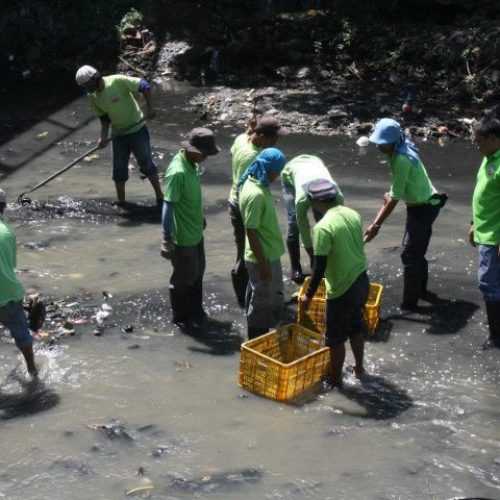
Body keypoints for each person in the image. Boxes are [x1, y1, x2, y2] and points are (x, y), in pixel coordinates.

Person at [364, 118, 447, 310]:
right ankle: (422, 292)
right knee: (416, 251)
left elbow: (395, 198)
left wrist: (376, 225)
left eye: (382, 144)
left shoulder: (401, 158)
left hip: (424, 207)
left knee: (410, 256)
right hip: (423, 202)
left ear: (393, 142)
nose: (378, 147)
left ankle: (409, 305)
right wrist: (392, 194)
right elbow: (398, 189)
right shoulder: (398, 148)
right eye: (377, 143)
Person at [300, 179, 369, 387]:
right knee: (356, 326)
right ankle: (359, 368)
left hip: (342, 289)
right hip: (361, 280)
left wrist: (308, 295)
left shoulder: (322, 228)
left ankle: (336, 381)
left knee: (335, 338)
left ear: (314, 202)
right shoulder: (352, 214)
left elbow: (319, 267)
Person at [75, 65, 163, 207]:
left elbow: (144, 85)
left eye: (88, 85)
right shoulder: (92, 96)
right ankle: (121, 202)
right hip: (118, 135)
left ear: (96, 78)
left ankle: (160, 197)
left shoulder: (117, 81)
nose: (88, 89)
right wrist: (103, 137)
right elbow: (104, 117)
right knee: (119, 169)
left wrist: (150, 107)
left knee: (146, 164)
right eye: (84, 87)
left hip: (137, 129)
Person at [160, 128, 220, 327]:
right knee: (184, 278)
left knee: (198, 272)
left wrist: (200, 217)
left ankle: (196, 311)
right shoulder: (177, 172)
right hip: (183, 237)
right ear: (193, 150)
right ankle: (181, 319)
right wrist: (167, 239)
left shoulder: (191, 164)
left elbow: (191, 196)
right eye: (204, 154)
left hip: (195, 232)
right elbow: (168, 206)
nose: (206, 158)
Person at [228, 115, 289, 307]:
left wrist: (249, 129)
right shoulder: (253, 158)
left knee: (244, 250)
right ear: (262, 137)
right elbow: (250, 186)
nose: (275, 144)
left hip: (236, 200)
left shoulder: (241, 140)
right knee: (249, 253)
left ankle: (247, 298)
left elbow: (233, 150)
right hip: (244, 205)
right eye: (273, 140)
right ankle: (246, 301)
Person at [239, 147, 287, 339]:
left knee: (261, 299)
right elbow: (250, 230)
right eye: (278, 170)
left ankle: (260, 340)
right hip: (263, 257)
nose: (279, 175)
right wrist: (264, 263)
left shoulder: (255, 183)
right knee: (263, 304)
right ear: (270, 169)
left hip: (266, 253)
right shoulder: (256, 194)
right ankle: (258, 344)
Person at [281, 154, 344, 284]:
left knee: (323, 220)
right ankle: (295, 267)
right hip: (290, 173)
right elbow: (304, 229)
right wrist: (312, 258)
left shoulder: (338, 197)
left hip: (315, 163)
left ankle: (327, 260)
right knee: (293, 222)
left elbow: (338, 227)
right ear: (314, 201)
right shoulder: (302, 200)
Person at [470, 118, 500, 349]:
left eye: (479, 141)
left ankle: (496, 337)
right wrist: (473, 223)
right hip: (484, 230)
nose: (475, 144)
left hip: (494, 236)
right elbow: (483, 195)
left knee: (488, 284)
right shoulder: (488, 158)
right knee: (492, 283)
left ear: (493, 139)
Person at [0, 189, 37, 376]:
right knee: (21, 332)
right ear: (4, 207)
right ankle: (32, 369)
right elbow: (11, 264)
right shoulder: (8, 231)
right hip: (8, 292)